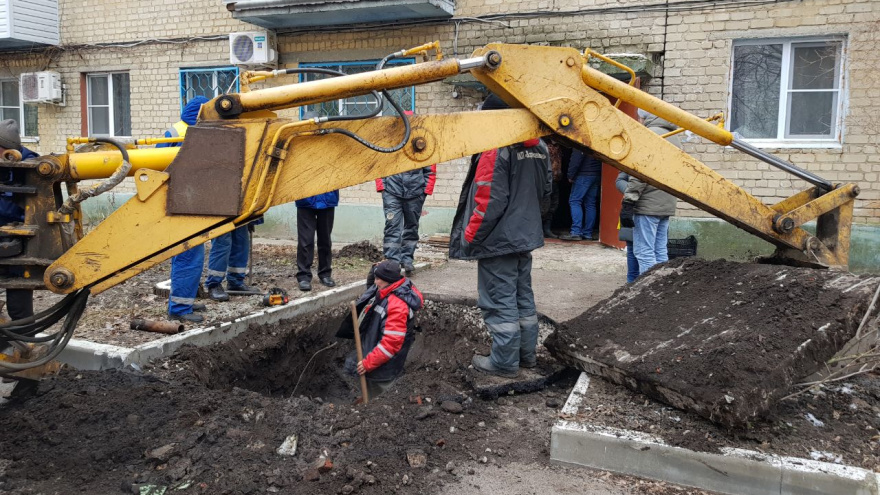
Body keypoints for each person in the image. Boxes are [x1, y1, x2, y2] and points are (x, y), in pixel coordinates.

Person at [449, 93, 551, 379]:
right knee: (522, 299)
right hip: (523, 236)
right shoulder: (540, 147)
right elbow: (546, 193)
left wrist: (470, 237)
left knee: (499, 300)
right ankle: (526, 357)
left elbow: (487, 200)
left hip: (497, 241)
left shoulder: (497, 148)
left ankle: (505, 363)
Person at [164, 96, 210, 323]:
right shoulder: (190, 132)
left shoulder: (177, 131)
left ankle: (185, 300)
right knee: (188, 255)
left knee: (191, 255)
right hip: (182, 204)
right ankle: (180, 309)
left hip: (188, 202)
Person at [351, 259, 424, 398]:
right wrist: (375, 269)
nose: (375, 282)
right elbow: (371, 286)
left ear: (389, 280)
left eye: (379, 278)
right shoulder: (386, 288)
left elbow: (390, 345)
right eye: (376, 277)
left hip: (384, 367)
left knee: (380, 395)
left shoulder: (397, 306)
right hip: (375, 353)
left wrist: (368, 363)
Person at [623, 109, 680, 276]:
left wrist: (629, 200)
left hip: (647, 205)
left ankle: (648, 293)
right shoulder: (675, 136)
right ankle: (662, 290)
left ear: (644, 117)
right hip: (667, 203)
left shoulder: (649, 136)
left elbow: (640, 173)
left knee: (644, 252)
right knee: (660, 250)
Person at [0, 119, 39, 321]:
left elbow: (30, 209)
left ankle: (26, 344)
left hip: (21, 241)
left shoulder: (30, 166)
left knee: (19, 304)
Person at [376, 149, 436, 274]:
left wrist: (425, 191)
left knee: (411, 227)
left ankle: (407, 259)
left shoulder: (420, 142)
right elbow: (379, 163)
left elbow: (430, 167)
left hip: (415, 193)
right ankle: (392, 261)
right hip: (392, 192)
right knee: (392, 227)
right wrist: (382, 188)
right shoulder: (389, 142)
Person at [295, 189, 338, 291]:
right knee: (305, 240)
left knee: (325, 239)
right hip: (305, 196)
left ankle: (325, 273)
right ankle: (304, 276)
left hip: (328, 197)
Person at [203, 224, 256, 301]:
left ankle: (236, 281)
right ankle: (213, 285)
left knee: (240, 240)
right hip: (220, 213)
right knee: (222, 241)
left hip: (240, 212)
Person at [560, 148, 602, 241]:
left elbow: (576, 159)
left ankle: (576, 232)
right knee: (590, 204)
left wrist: (570, 175)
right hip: (596, 174)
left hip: (583, 174)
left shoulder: (581, 142)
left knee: (575, 201)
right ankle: (588, 233)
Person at [616, 172, 639, 283]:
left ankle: (647, 284)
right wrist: (632, 192)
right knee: (631, 246)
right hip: (633, 207)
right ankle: (631, 282)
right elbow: (619, 181)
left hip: (644, 208)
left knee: (650, 250)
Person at [541, 140, 563, 239]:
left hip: (556, 179)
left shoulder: (558, 147)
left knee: (554, 204)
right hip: (546, 179)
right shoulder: (544, 146)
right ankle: (541, 229)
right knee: (545, 205)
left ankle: (547, 229)